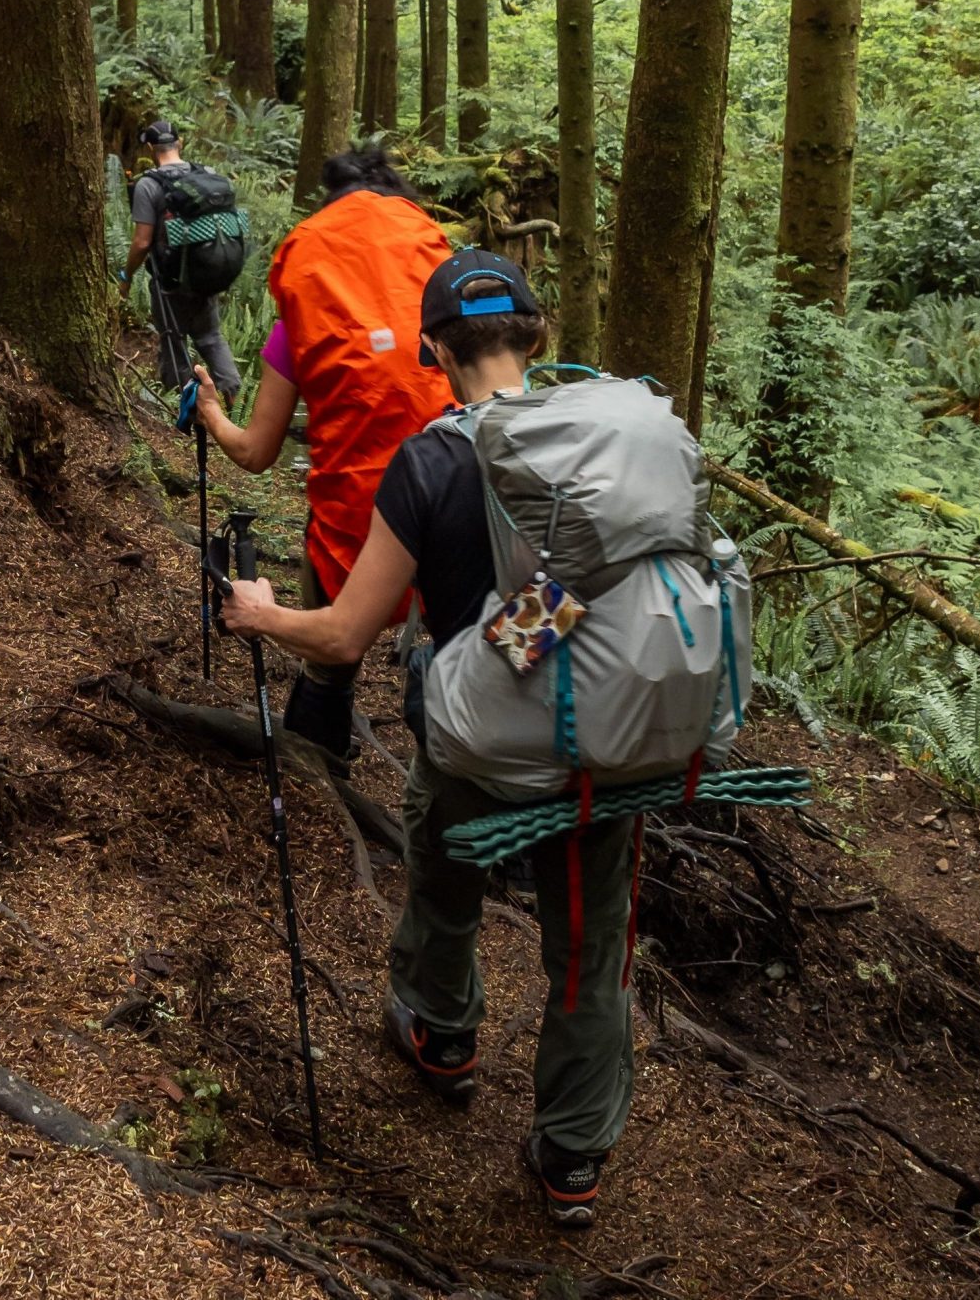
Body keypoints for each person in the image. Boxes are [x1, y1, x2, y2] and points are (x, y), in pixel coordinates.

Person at [220, 251, 638, 1230]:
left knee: (444, 875)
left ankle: (443, 1038)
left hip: (475, 750)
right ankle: (572, 1156)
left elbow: (346, 636)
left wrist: (264, 614)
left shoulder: (431, 461)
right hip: (599, 750)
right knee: (589, 950)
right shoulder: (610, 445)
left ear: (432, 351)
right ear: (536, 338)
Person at [190, 145, 454, 764]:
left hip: (356, 522)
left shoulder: (309, 305)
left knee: (330, 663)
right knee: (466, 654)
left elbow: (256, 453)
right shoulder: (446, 298)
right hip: (458, 508)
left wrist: (211, 412)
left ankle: (321, 781)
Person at [120, 120, 245, 400]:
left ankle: (181, 408)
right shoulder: (207, 175)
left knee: (173, 340)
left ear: (151, 148)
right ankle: (235, 400)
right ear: (181, 143)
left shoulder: (148, 185)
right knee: (210, 336)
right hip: (206, 272)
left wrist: (126, 277)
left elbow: (141, 242)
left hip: (169, 282)